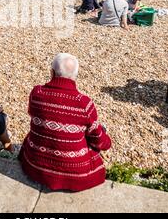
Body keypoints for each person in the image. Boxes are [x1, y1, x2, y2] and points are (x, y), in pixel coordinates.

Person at [19, 54, 112, 192]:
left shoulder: (36, 93)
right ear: (75, 76)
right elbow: (99, 141)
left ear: (51, 72)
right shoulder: (84, 104)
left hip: (35, 164)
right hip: (74, 172)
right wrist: (106, 140)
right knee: (93, 134)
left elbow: (34, 115)